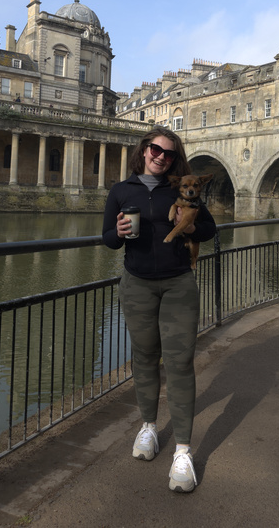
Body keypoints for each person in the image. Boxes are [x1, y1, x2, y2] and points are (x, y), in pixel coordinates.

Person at [102, 127, 216, 492]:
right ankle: (149, 427)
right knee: (145, 356)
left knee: (180, 363)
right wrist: (118, 232)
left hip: (179, 282)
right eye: (155, 149)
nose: (161, 156)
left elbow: (209, 229)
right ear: (144, 150)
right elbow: (107, 241)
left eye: (168, 152)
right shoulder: (121, 190)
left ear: (175, 159)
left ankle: (183, 450)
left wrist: (191, 224)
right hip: (137, 284)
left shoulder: (181, 187)